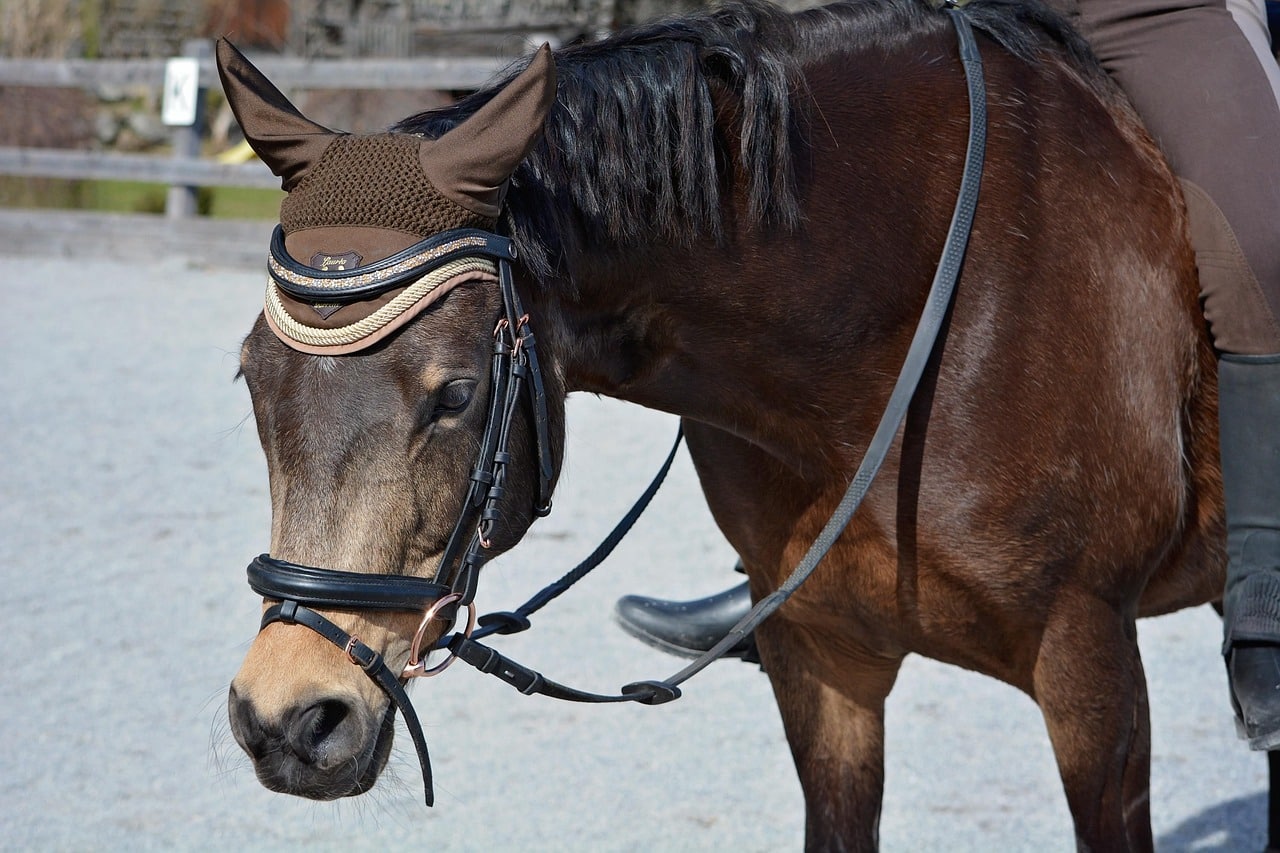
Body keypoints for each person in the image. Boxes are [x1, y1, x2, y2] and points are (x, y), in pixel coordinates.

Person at [614, 0, 1280, 749]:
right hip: (957, 10)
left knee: (1261, 242)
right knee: (786, 203)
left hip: (1157, 12)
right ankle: (778, 570)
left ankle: (1264, 576)